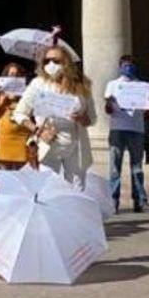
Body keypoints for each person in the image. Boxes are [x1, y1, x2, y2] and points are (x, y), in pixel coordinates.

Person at [13, 38, 95, 187]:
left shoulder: (81, 86)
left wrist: (82, 118)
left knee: (76, 189)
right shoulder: (37, 84)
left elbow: (92, 119)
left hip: (75, 145)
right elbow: (19, 114)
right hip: (48, 143)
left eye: (56, 61)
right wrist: (38, 130)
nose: (51, 65)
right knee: (48, 187)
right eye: (46, 61)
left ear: (66, 63)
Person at [102, 54, 149, 214]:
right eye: (125, 65)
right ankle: (113, 201)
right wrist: (110, 103)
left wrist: (143, 105)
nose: (128, 68)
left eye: (130, 65)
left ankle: (140, 200)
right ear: (120, 67)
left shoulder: (141, 86)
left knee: (137, 166)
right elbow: (107, 109)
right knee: (115, 166)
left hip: (136, 128)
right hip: (118, 127)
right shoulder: (113, 85)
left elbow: (148, 109)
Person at [0, 62, 31, 169]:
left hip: (22, 134)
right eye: (11, 74)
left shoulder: (27, 91)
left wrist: (23, 96)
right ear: (6, 75)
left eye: (17, 74)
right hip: (4, 135)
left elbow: (31, 112)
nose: (14, 77)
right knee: (5, 172)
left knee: (21, 171)